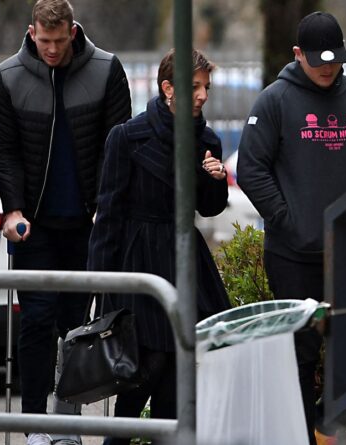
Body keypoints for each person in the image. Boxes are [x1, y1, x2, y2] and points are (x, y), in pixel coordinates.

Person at [236, 11, 346, 445]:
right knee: (301, 355)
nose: (327, 67)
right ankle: (304, 437)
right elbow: (251, 169)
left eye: (334, 59)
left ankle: (327, 420)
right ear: (297, 54)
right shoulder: (275, 100)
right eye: (317, 59)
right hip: (295, 256)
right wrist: (289, 222)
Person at [0, 1, 131, 444]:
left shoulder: (106, 69)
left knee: (75, 325)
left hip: (87, 221)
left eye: (58, 40)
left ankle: (66, 423)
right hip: (34, 223)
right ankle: (34, 427)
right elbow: (5, 150)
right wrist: (12, 209)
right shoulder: (9, 76)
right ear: (31, 32)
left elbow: (117, 145)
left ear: (73, 31)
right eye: (43, 40)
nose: (51, 49)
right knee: (35, 321)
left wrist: (105, 208)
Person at [88, 48, 232, 445]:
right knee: (140, 374)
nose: (202, 95)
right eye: (194, 87)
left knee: (177, 378)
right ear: (168, 88)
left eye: (206, 87)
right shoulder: (128, 136)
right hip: (140, 261)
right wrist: (98, 284)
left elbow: (211, 206)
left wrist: (215, 177)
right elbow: (109, 213)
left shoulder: (207, 140)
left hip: (184, 258)